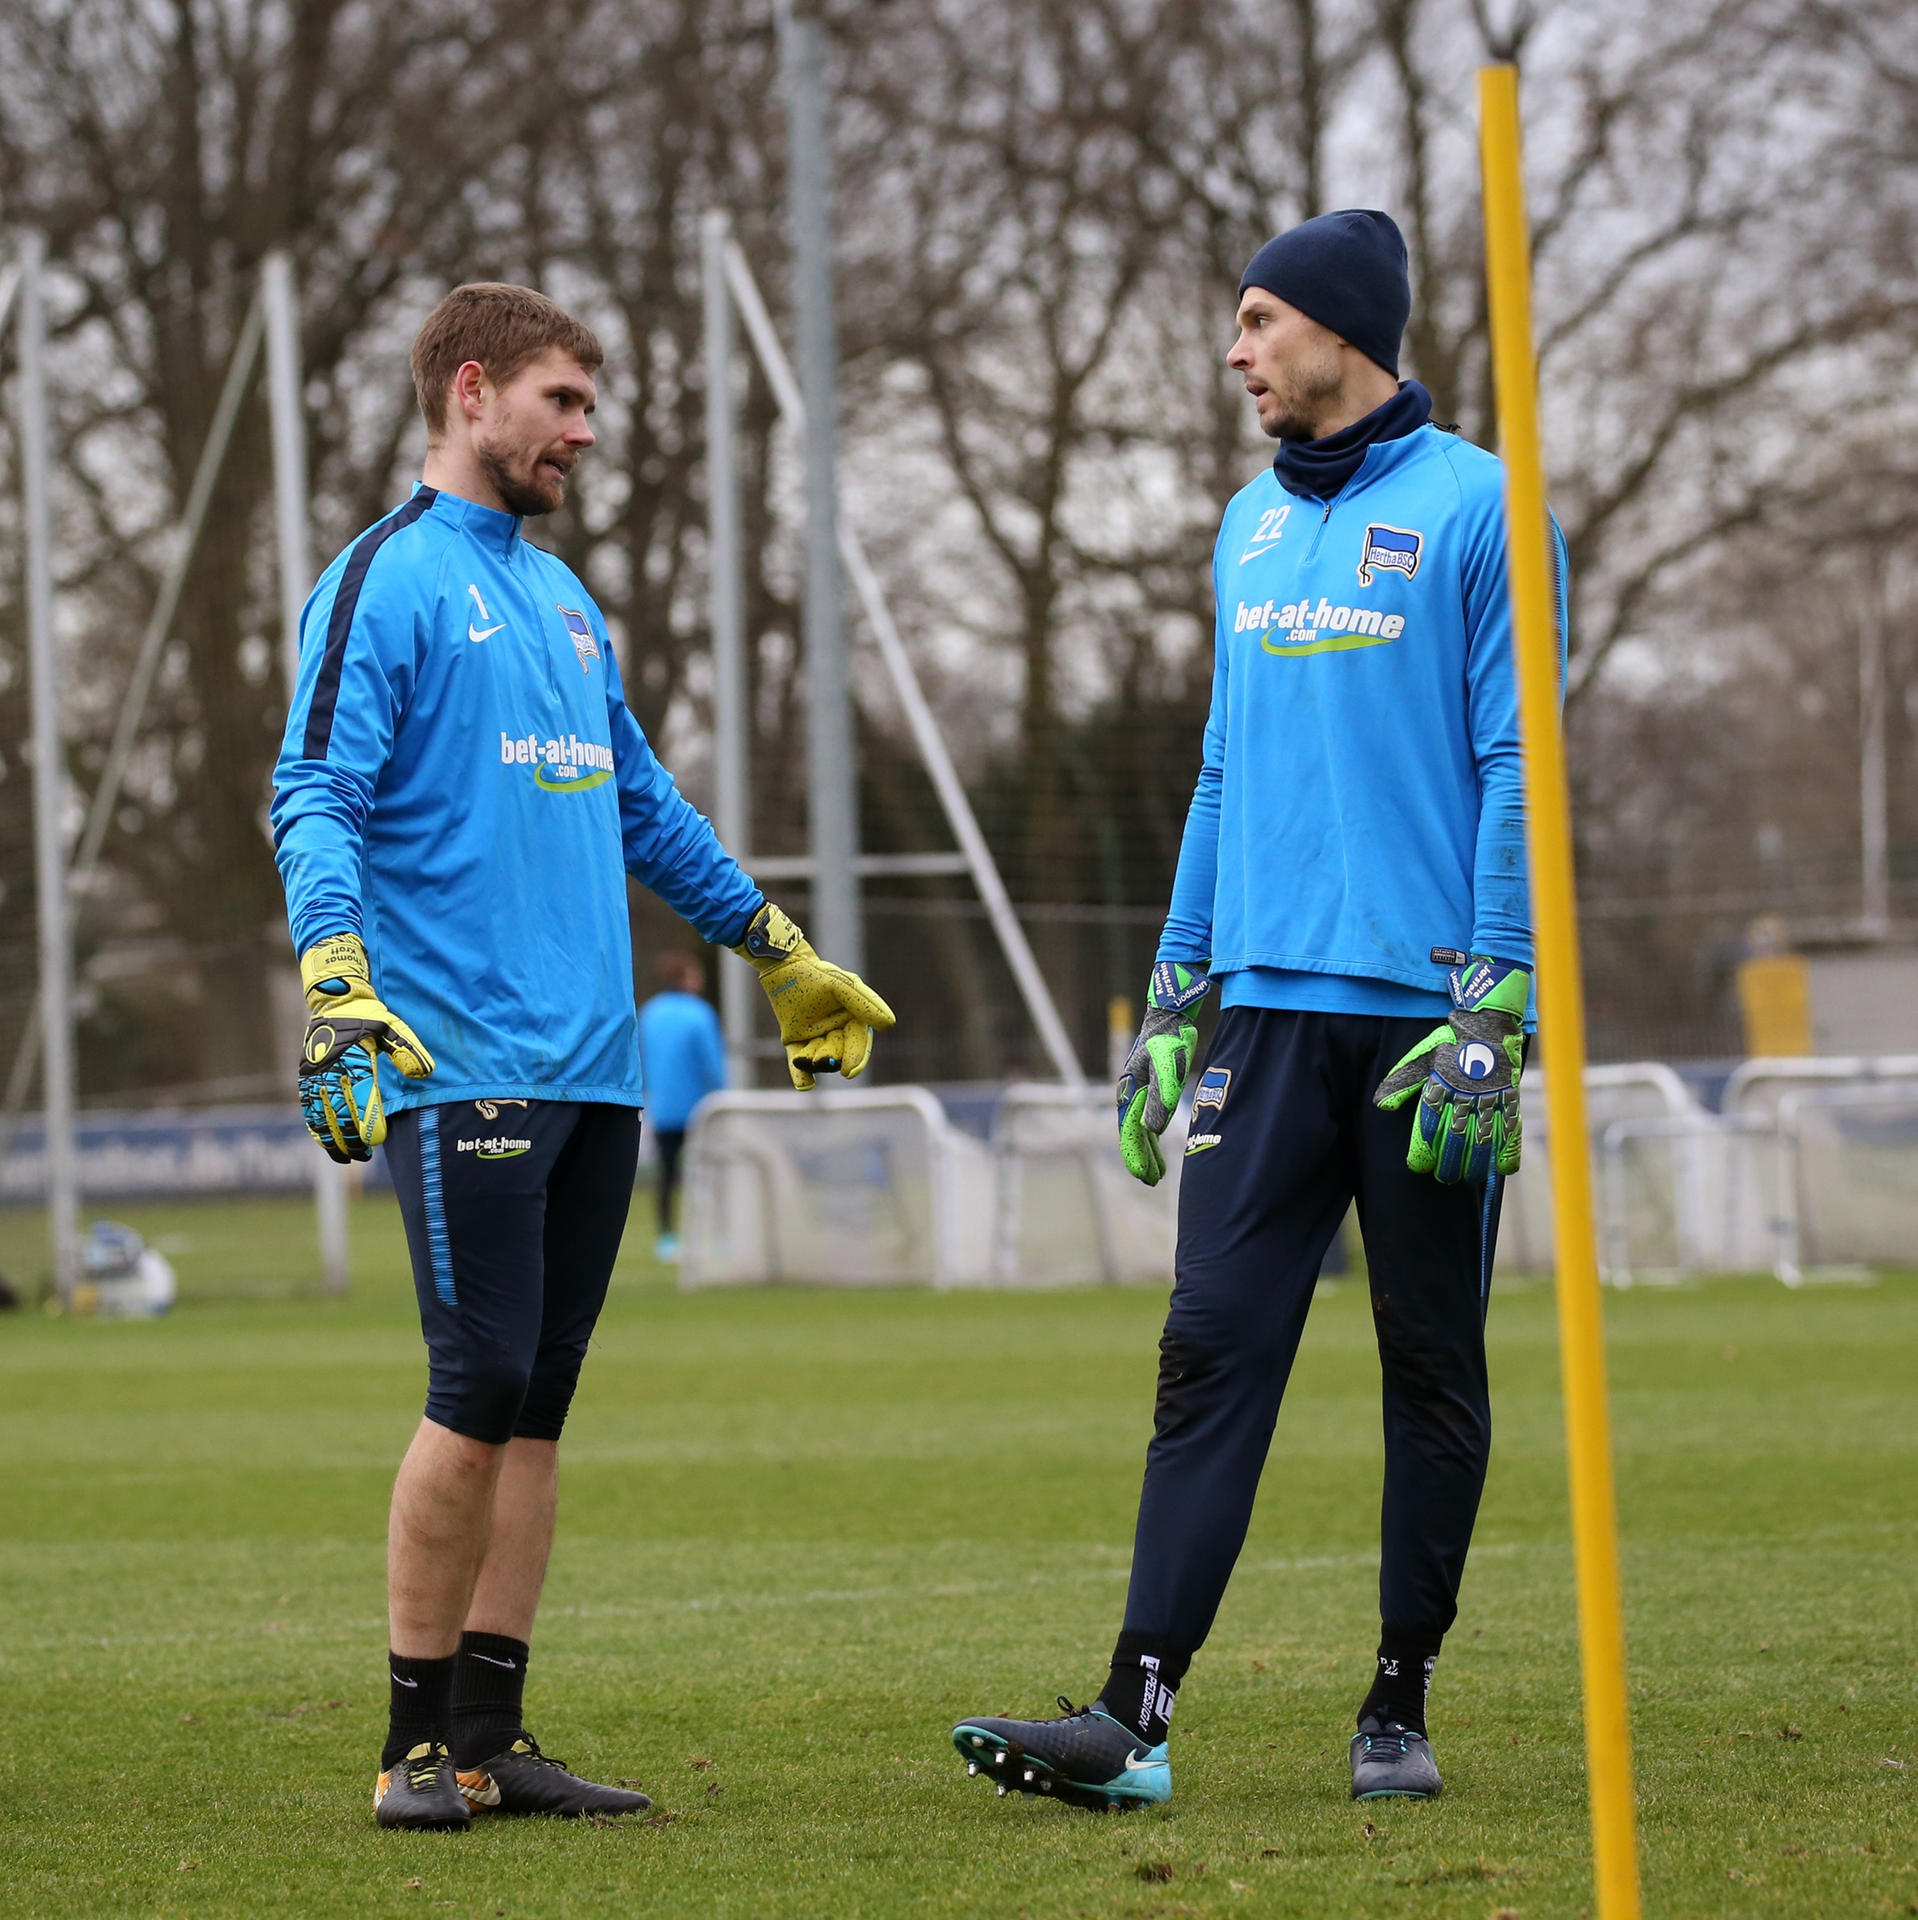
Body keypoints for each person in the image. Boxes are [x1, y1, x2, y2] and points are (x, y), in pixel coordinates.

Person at [949, 210, 1565, 1810]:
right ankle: (1130, 1723)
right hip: (1262, 1024)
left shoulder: (1485, 510)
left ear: (1341, 330)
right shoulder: (1243, 530)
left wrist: (1499, 998)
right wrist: (1170, 990)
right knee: (1206, 1345)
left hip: (1432, 1024)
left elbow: (1518, 766)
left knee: (1428, 1359)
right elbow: (1221, 773)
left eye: (1256, 321)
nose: (1235, 353)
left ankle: (1396, 1702)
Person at [271, 282, 895, 1831]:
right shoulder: (383, 580)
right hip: (455, 1057)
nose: (585, 430)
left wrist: (777, 947)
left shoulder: (563, 603)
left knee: (538, 1401)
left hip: (594, 1074)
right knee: (473, 1378)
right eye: (561, 399)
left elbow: (638, 803)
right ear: (469, 392)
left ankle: (492, 1735)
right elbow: (311, 793)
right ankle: (411, 1742)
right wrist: (335, 973)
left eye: (590, 403)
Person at [636, 951, 727, 1260]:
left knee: (666, 1174)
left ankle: (666, 1238)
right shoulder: (700, 1014)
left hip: (662, 1109)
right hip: (701, 1110)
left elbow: (641, 1060)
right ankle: (717, 1237)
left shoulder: (649, 1013)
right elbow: (712, 1066)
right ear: (686, 978)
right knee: (711, 1173)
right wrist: (723, 1094)